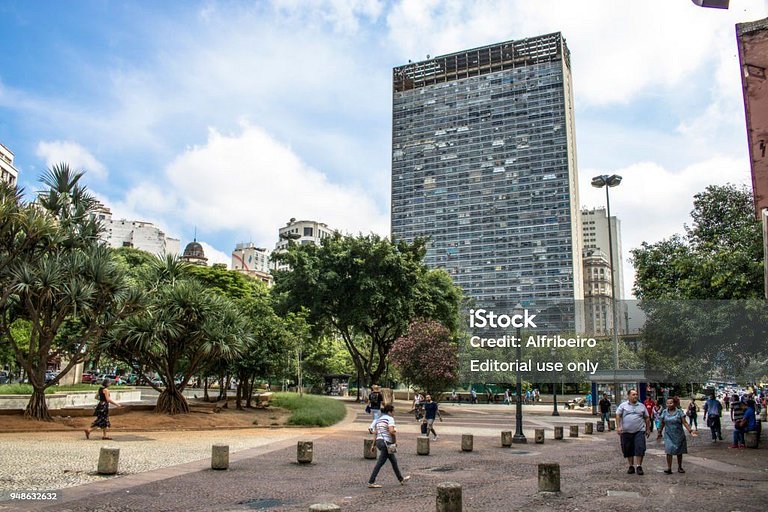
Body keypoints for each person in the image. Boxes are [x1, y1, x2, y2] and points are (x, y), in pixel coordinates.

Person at [367, 404, 410, 488]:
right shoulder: (390, 419)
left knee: (394, 461)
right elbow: (391, 431)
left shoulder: (379, 419)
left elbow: (376, 433)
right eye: (393, 411)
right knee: (380, 463)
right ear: (389, 412)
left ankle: (401, 479)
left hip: (380, 442)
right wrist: (394, 442)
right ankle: (371, 482)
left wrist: (373, 445)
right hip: (386, 443)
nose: (394, 413)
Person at [658, 397, 697, 474]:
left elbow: (684, 422)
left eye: (671, 403)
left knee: (679, 451)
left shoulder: (679, 412)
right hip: (668, 435)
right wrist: (659, 432)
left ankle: (680, 467)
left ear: (675, 404)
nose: (669, 405)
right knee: (668, 451)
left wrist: (690, 430)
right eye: (667, 403)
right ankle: (669, 468)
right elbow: (662, 423)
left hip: (679, 434)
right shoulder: (664, 412)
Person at [616, 389, 651, 475]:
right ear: (628, 396)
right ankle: (631, 466)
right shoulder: (623, 406)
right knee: (628, 449)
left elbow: (646, 417)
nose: (635, 396)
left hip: (639, 431)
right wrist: (618, 427)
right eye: (633, 394)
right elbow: (618, 415)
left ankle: (639, 466)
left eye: (636, 394)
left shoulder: (641, 406)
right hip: (626, 432)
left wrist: (648, 429)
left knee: (640, 448)